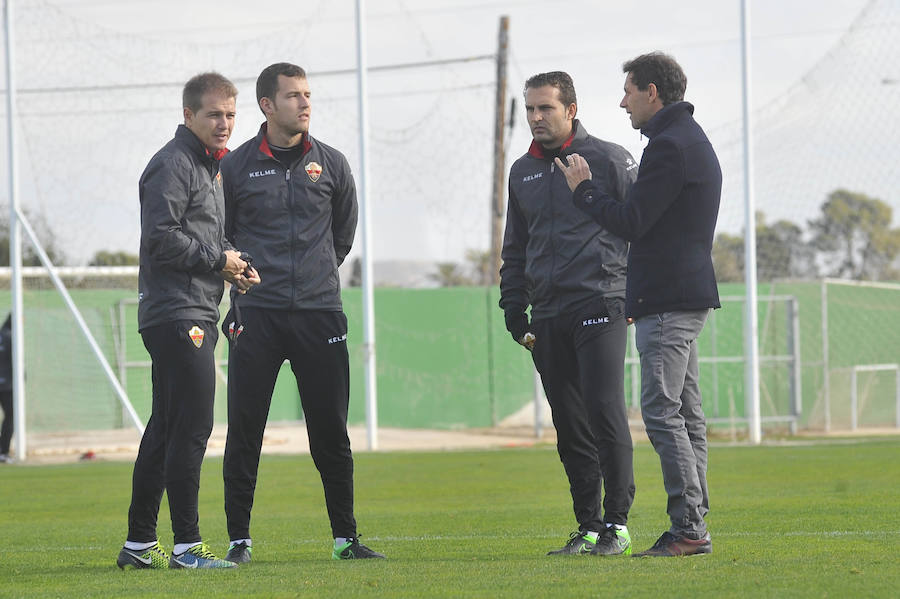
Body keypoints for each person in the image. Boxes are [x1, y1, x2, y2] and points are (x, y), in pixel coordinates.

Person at [555, 52, 722, 557]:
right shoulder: (687, 140)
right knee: (685, 411)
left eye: (628, 91)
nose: (621, 101)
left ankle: (689, 527)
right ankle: (693, 518)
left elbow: (632, 221)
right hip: (680, 295)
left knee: (661, 409)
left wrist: (584, 191)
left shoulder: (670, 146)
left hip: (668, 301)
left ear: (653, 92)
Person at [220, 62, 383, 562]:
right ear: (267, 106)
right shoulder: (235, 167)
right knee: (245, 430)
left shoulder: (331, 164)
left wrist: (311, 278)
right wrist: (249, 287)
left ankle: (346, 539)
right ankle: (239, 542)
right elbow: (217, 236)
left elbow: (341, 236)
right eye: (293, 96)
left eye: (307, 94)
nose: (305, 103)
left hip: (320, 315)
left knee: (331, 432)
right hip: (257, 316)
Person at [117, 72, 260, 570]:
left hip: (191, 307)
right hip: (178, 313)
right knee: (192, 428)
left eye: (230, 115)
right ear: (189, 115)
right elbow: (161, 237)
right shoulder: (173, 164)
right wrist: (216, 260)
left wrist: (233, 264)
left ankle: (138, 546)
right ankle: (187, 548)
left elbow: (202, 241)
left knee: (166, 427)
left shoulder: (210, 168)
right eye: (214, 114)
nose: (225, 124)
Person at [499, 71, 638, 556]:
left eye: (546, 109)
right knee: (570, 424)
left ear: (571, 110)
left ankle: (617, 525)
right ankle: (588, 525)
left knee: (604, 411)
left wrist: (636, 294)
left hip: (600, 301)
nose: (536, 117)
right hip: (549, 313)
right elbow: (515, 245)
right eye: (531, 109)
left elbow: (641, 226)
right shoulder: (521, 171)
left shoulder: (608, 158)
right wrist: (514, 305)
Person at [0, 315, 13, 463]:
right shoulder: (11, 337)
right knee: (10, 417)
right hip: (8, 386)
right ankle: (3, 452)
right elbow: (17, 361)